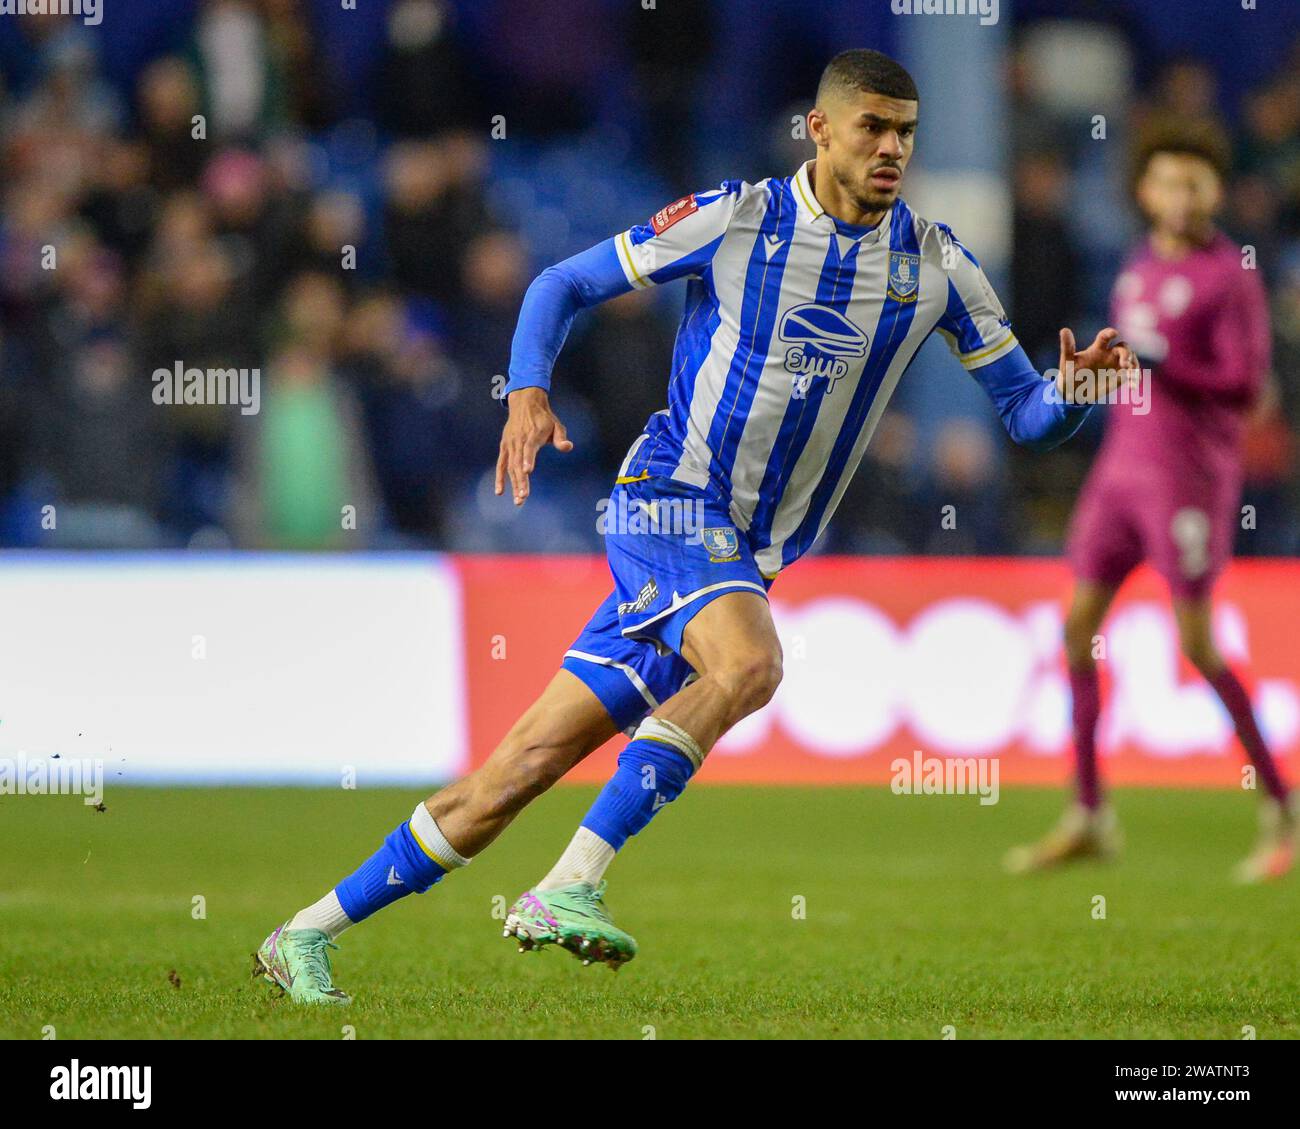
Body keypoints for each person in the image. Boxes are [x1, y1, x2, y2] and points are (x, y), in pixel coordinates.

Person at [254, 49, 1136, 1004]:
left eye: (906, 134)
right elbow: (561, 284)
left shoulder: (936, 265)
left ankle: (301, 934)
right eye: (873, 128)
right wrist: (528, 390)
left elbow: (1027, 414)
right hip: (670, 499)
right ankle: (569, 885)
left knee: (513, 775)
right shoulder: (738, 217)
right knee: (750, 665)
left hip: (743, 556)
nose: (891, 149)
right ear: (821, 128)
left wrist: (1079, 392)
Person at [1005, 125, 1293, 883]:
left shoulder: (1231, 276)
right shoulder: (1134, 266)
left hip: (1187, 480)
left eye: (1196, 183)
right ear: (1145, 192)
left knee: (1197, 644)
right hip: (1120, 474)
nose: (1182, 196)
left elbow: (1249, 386)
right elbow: (1133, 375)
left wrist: (1171, 362)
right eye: (1169, 182)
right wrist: (1079, 384)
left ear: (1215, 192)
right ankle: (1090, 813)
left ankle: (1281, 806)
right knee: (1075, 632)